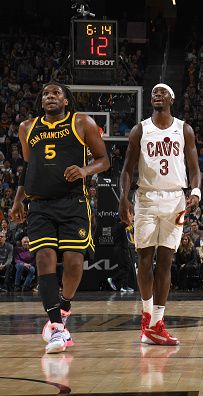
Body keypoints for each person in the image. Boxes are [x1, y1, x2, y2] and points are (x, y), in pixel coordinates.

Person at [9, 81, 109, 353]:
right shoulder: (27, 127)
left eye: (56, 93)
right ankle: (56, 327)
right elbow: (28, 166)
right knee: (44, 258)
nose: (50, 96)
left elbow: (104, 159)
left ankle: (64, 306)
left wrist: (85, 170)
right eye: (45, 94)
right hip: (39, 204)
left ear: (66, 101)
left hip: (73, 202)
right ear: (41, 101)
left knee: (75, 261)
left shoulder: (82, 123)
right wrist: (19, 200)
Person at [119, 83, 202, 346]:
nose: (157, 94)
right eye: (154, 92)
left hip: (175, 198)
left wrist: (196, 192)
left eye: (163, 91)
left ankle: (157, 323)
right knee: (145, 258)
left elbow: (194, 168)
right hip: (146, 197)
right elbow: (126, 169)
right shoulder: (140, 129)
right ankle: (147, 319)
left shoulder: (184, 129)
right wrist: (123, 198)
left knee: (166, 260)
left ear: (172, 98)